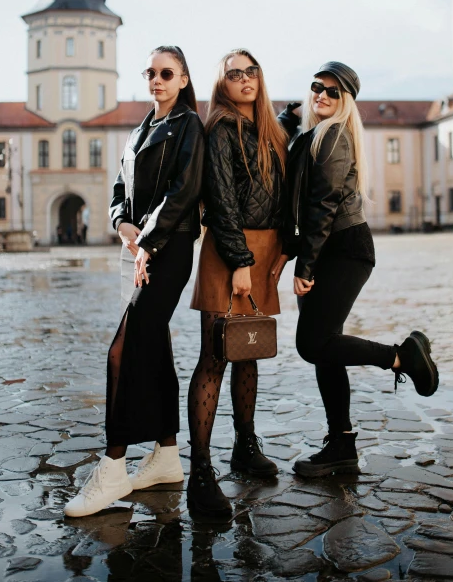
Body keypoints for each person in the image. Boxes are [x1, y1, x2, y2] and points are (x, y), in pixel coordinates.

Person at [274, 61, 439, 478]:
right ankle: (341, 444)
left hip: (343, 249)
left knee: (313, 344)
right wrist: (287, 120)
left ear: (346, 100)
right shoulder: (315, 134)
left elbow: (323, 205)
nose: (322, 96)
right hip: (332, 249)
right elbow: (297, 162)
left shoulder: (333, 137)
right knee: (324, 347)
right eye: (317, 88)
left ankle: (402, 357)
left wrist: (305, 265)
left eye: (333, 92)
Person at [65, 46, 204, 517]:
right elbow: (120, 189)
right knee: (153, 344)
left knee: (123, 349)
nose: (156, 79)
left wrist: (147, 240)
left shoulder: (188, 126)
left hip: (168, 249)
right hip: (140, 249)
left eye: (166, 73)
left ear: (183, 79)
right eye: (151, 72)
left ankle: (114, 466)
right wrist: (121, 223)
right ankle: (166, 454)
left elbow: (181, 191)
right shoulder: (142, 127)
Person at [187, 48, 288, 517]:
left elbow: (280, 197)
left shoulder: (272, 131)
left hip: (263, 250)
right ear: (222, 84)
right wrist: (241, 260)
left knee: (249, 350)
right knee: (215, 357)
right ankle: (201, 473)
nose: (244, 79)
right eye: (234, 74)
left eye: (251, 71)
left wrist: (282, 249)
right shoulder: (221, 129)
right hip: (231, 251)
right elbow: (222, 201)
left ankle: (245, 446)